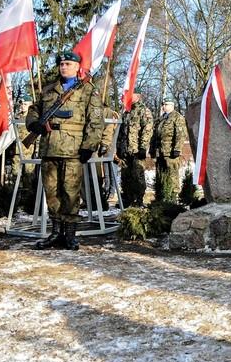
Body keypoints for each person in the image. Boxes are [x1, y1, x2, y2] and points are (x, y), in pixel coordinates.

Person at [26, 50, 103, 250]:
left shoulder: (87, 90)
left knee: (70, 193)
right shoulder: (49, 90)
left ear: (78, 67)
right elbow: (34, 109)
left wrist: (89, 146)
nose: (64, 67)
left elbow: (95, 121)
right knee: (52, 192)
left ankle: (70, 235)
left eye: (68, 64)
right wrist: (34, 123)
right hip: (50, 147)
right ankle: (55, 233)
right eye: (61, 64)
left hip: (74, 150)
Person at [118, 91, 153, 206]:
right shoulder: (126, 111)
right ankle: (127, 199)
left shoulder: (143, 111)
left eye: (132, 94)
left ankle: (139, 200)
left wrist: (143, 147)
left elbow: (147, 130)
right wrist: (118, 148)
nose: (129, 97)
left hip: (137, 150)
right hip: (125, 150)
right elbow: (121, 132)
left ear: (138, 96)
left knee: (137, 176)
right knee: (125, 176)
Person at [151, 97, 186, 203]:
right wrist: (152, 149)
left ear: (171, 105)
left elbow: (181, 135)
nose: (163, 107)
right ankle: (162, 197)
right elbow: (154, 135)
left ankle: (173, 198)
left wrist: (177, 149)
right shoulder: (160, 119)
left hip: (170, 152)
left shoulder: (177, 117)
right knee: (161, 174)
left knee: (172, 175)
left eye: (165, 104)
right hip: (160, 152)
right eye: (163, 104)